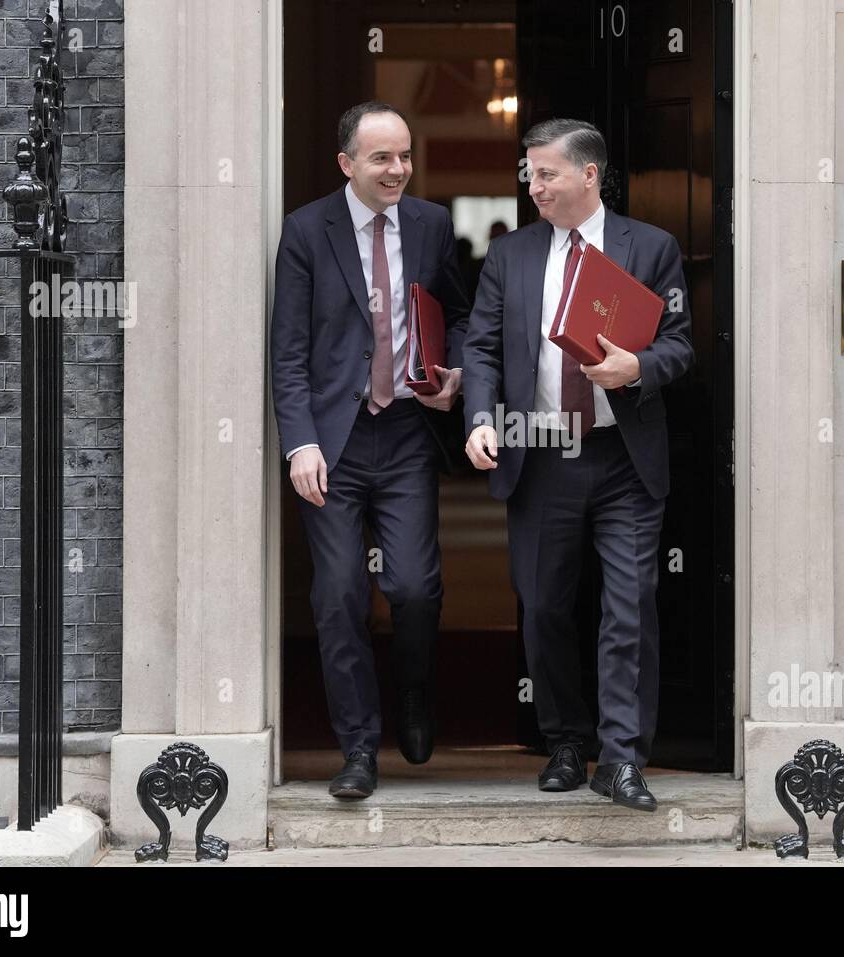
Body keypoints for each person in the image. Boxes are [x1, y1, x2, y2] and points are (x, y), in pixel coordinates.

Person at [462, 118, 693, 811]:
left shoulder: (650, 247)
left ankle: (622, 759)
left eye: (546, 174)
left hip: (622, 456)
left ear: (588, 175)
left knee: (628, 609)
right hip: (539, 453)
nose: (533, 186)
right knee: (544, 608)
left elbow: (680, 344)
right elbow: (480, 346)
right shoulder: (511, 254)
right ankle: (564, 741)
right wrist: (480, 417)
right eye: (528, 175)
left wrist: (638, 366)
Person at [270, 101, 469, 799]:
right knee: (339, 596)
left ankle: (414, 694)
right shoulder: (305, 231)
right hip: (332, 442)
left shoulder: (432, 225)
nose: (398, 170)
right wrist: (299, 442)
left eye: (405, 156)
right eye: (382, 157)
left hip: (409, 431)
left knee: (414, 587)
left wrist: (457, 374)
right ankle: (358, 747)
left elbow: (461, 313)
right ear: (347, 163)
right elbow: (289, 351)